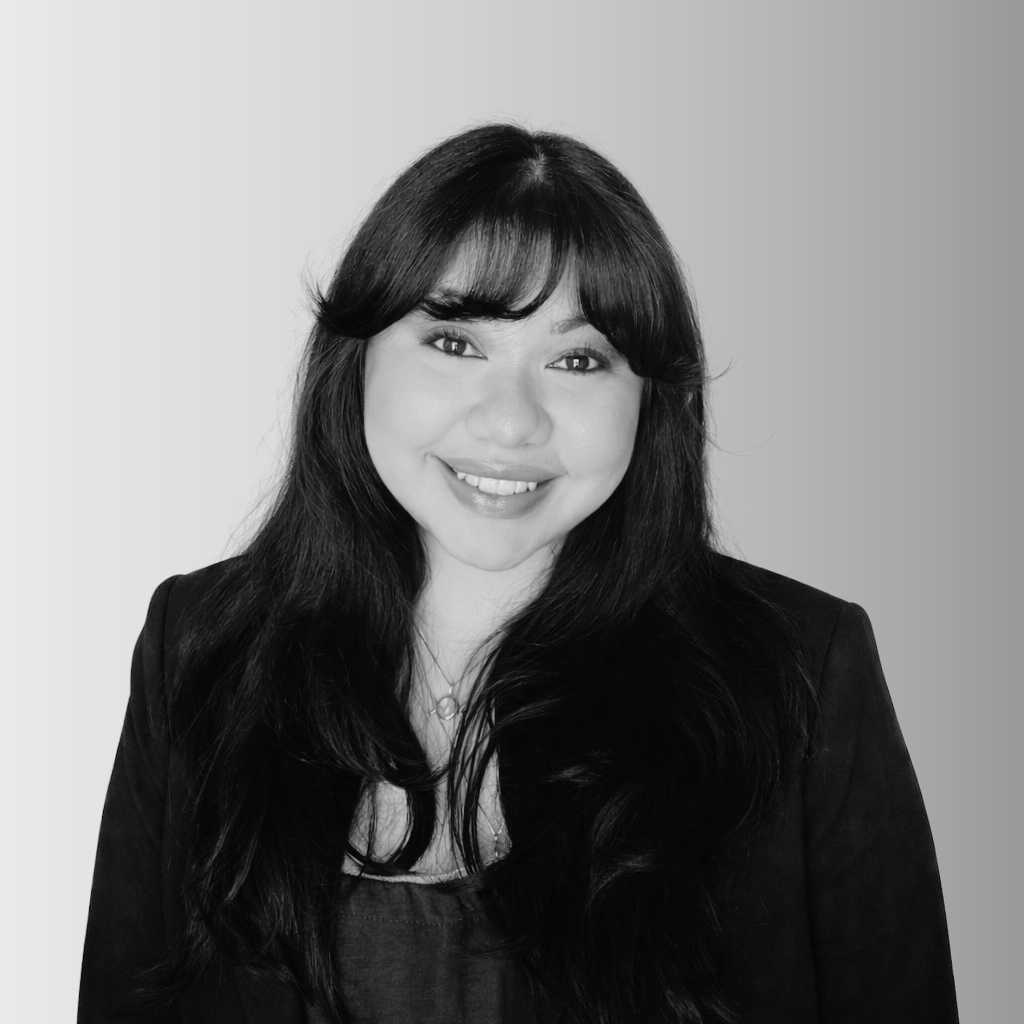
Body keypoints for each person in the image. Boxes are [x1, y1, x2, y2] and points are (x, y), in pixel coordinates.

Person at [78, 124, 958, 1024]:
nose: (510, 422)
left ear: (650, 400)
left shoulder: (804, 668)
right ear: (358, 358)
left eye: (577, 360)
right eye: (455, 342)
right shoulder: (201, 643)